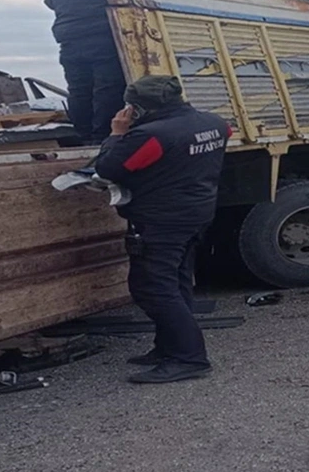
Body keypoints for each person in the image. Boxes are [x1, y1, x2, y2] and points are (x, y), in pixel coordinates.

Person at [94, 75, 230, 384]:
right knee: (178, 281)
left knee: (153, 288)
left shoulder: (151, 135)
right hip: (196, 213)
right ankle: (168, 347)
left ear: (138, 108)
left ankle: (189, 358)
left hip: (161, 221)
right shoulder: (216, 123)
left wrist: (116, 134)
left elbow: (108, 168)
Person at [44, 0, 134, 144]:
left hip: (69, 40)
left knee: (79, 89)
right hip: (104, 38)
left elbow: (51, 3)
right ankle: (102, 138)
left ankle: (83, 135)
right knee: (108, 89)